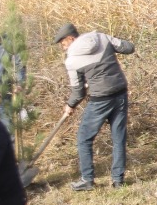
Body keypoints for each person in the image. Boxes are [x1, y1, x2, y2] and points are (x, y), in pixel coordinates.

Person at [55, 23, 135, 190]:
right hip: (120, 91)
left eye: (63, 43)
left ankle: (87, 179)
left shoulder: (71, 60)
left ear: (71, 38)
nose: (63, 47)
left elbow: (78, 92)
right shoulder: (101, 37)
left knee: (84, 138)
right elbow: (128, 48)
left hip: (100, 100)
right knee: (118, 137)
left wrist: (70, 105)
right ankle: (118, 180)